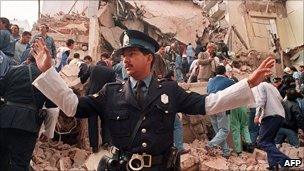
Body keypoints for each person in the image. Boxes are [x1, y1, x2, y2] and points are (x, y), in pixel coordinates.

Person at [31, 30, 274, 171]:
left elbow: (208, 104)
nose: (125, 60)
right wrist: (48, 73)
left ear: (149, 58)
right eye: (124, 55)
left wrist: (248, 83)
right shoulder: (110, 91)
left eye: (132, 54)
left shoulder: (170, 89)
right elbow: (73, 107)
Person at [0, 53, 54, 170]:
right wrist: (48, 132)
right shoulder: (46, 77)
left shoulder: (12, 71)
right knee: (20, 163)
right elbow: (52, 107)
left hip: (4, 120)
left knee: (2, 160)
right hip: (27, 124)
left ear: (28, 60)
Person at [253, 78, 291, 170]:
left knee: (262, 142)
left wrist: (257, 115)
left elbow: (261, 100)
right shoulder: (273, 87)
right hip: (279, 116)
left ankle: (285, 161)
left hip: (270, 116)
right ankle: (273, 165)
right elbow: (281, 100)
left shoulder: (260, 86)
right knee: (270, 141)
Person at [86, 63, 116, 153]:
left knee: (92, 122)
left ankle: (94, 146)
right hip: (105, 99)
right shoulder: (111, 71)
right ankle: (106, 142)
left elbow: (86, 80)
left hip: (92, 98)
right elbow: (112, 86)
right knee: (105, 121)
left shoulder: (92, 67)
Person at [205, 65, 235, 157]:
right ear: (225, 72)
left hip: (210, 107)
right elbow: (236, 91)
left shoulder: (210, 82)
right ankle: (211, 144)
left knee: (219, 131)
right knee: (224, 130)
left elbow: (207, 91)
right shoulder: (229, 81)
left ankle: (225, 151)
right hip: (221, 106)